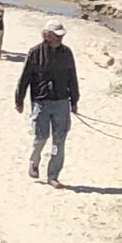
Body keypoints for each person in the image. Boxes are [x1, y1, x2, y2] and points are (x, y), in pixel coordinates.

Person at [15, 19, 79, 189]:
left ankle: (53, 175)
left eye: (61, 35)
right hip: (41, 102)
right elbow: (25, 77)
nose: (59, 38)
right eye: (56, 35)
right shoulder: (35, 52)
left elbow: (72, 77)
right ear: (47, 35)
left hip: (61, 102)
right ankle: (34, 160)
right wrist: (19, 99)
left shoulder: (67, 53)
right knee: (41, 137)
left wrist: (74, 100)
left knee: (59, 141)